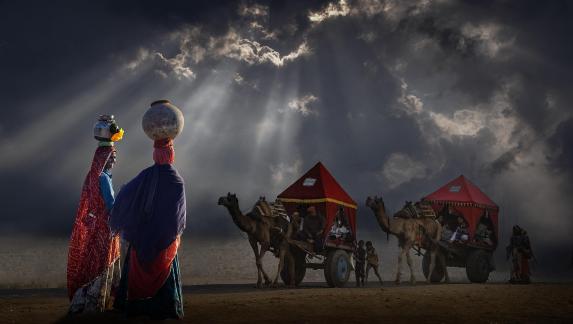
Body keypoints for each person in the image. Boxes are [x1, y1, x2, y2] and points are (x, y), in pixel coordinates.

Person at [111, 102, 186, 319]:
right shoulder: (176, 181)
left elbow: (125, 196)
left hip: (141, 239)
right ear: (170, 154)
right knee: (166, 272)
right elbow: (177, 220)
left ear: (156, 154)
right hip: (164, 242)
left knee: (135, 272)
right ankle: (165, 308)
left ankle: (134, 307)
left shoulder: (145, 176)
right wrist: (170, 235)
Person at [67, 115, 124, 314]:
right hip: (105, 226)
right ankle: (96, 302)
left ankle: (89, 301)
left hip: (95, 225)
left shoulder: (94, 176)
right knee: (102, 263)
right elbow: (110, 203)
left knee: (94, 263)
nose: (115, 159)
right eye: (112, 156)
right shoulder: (104, 179)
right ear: (105, 158)